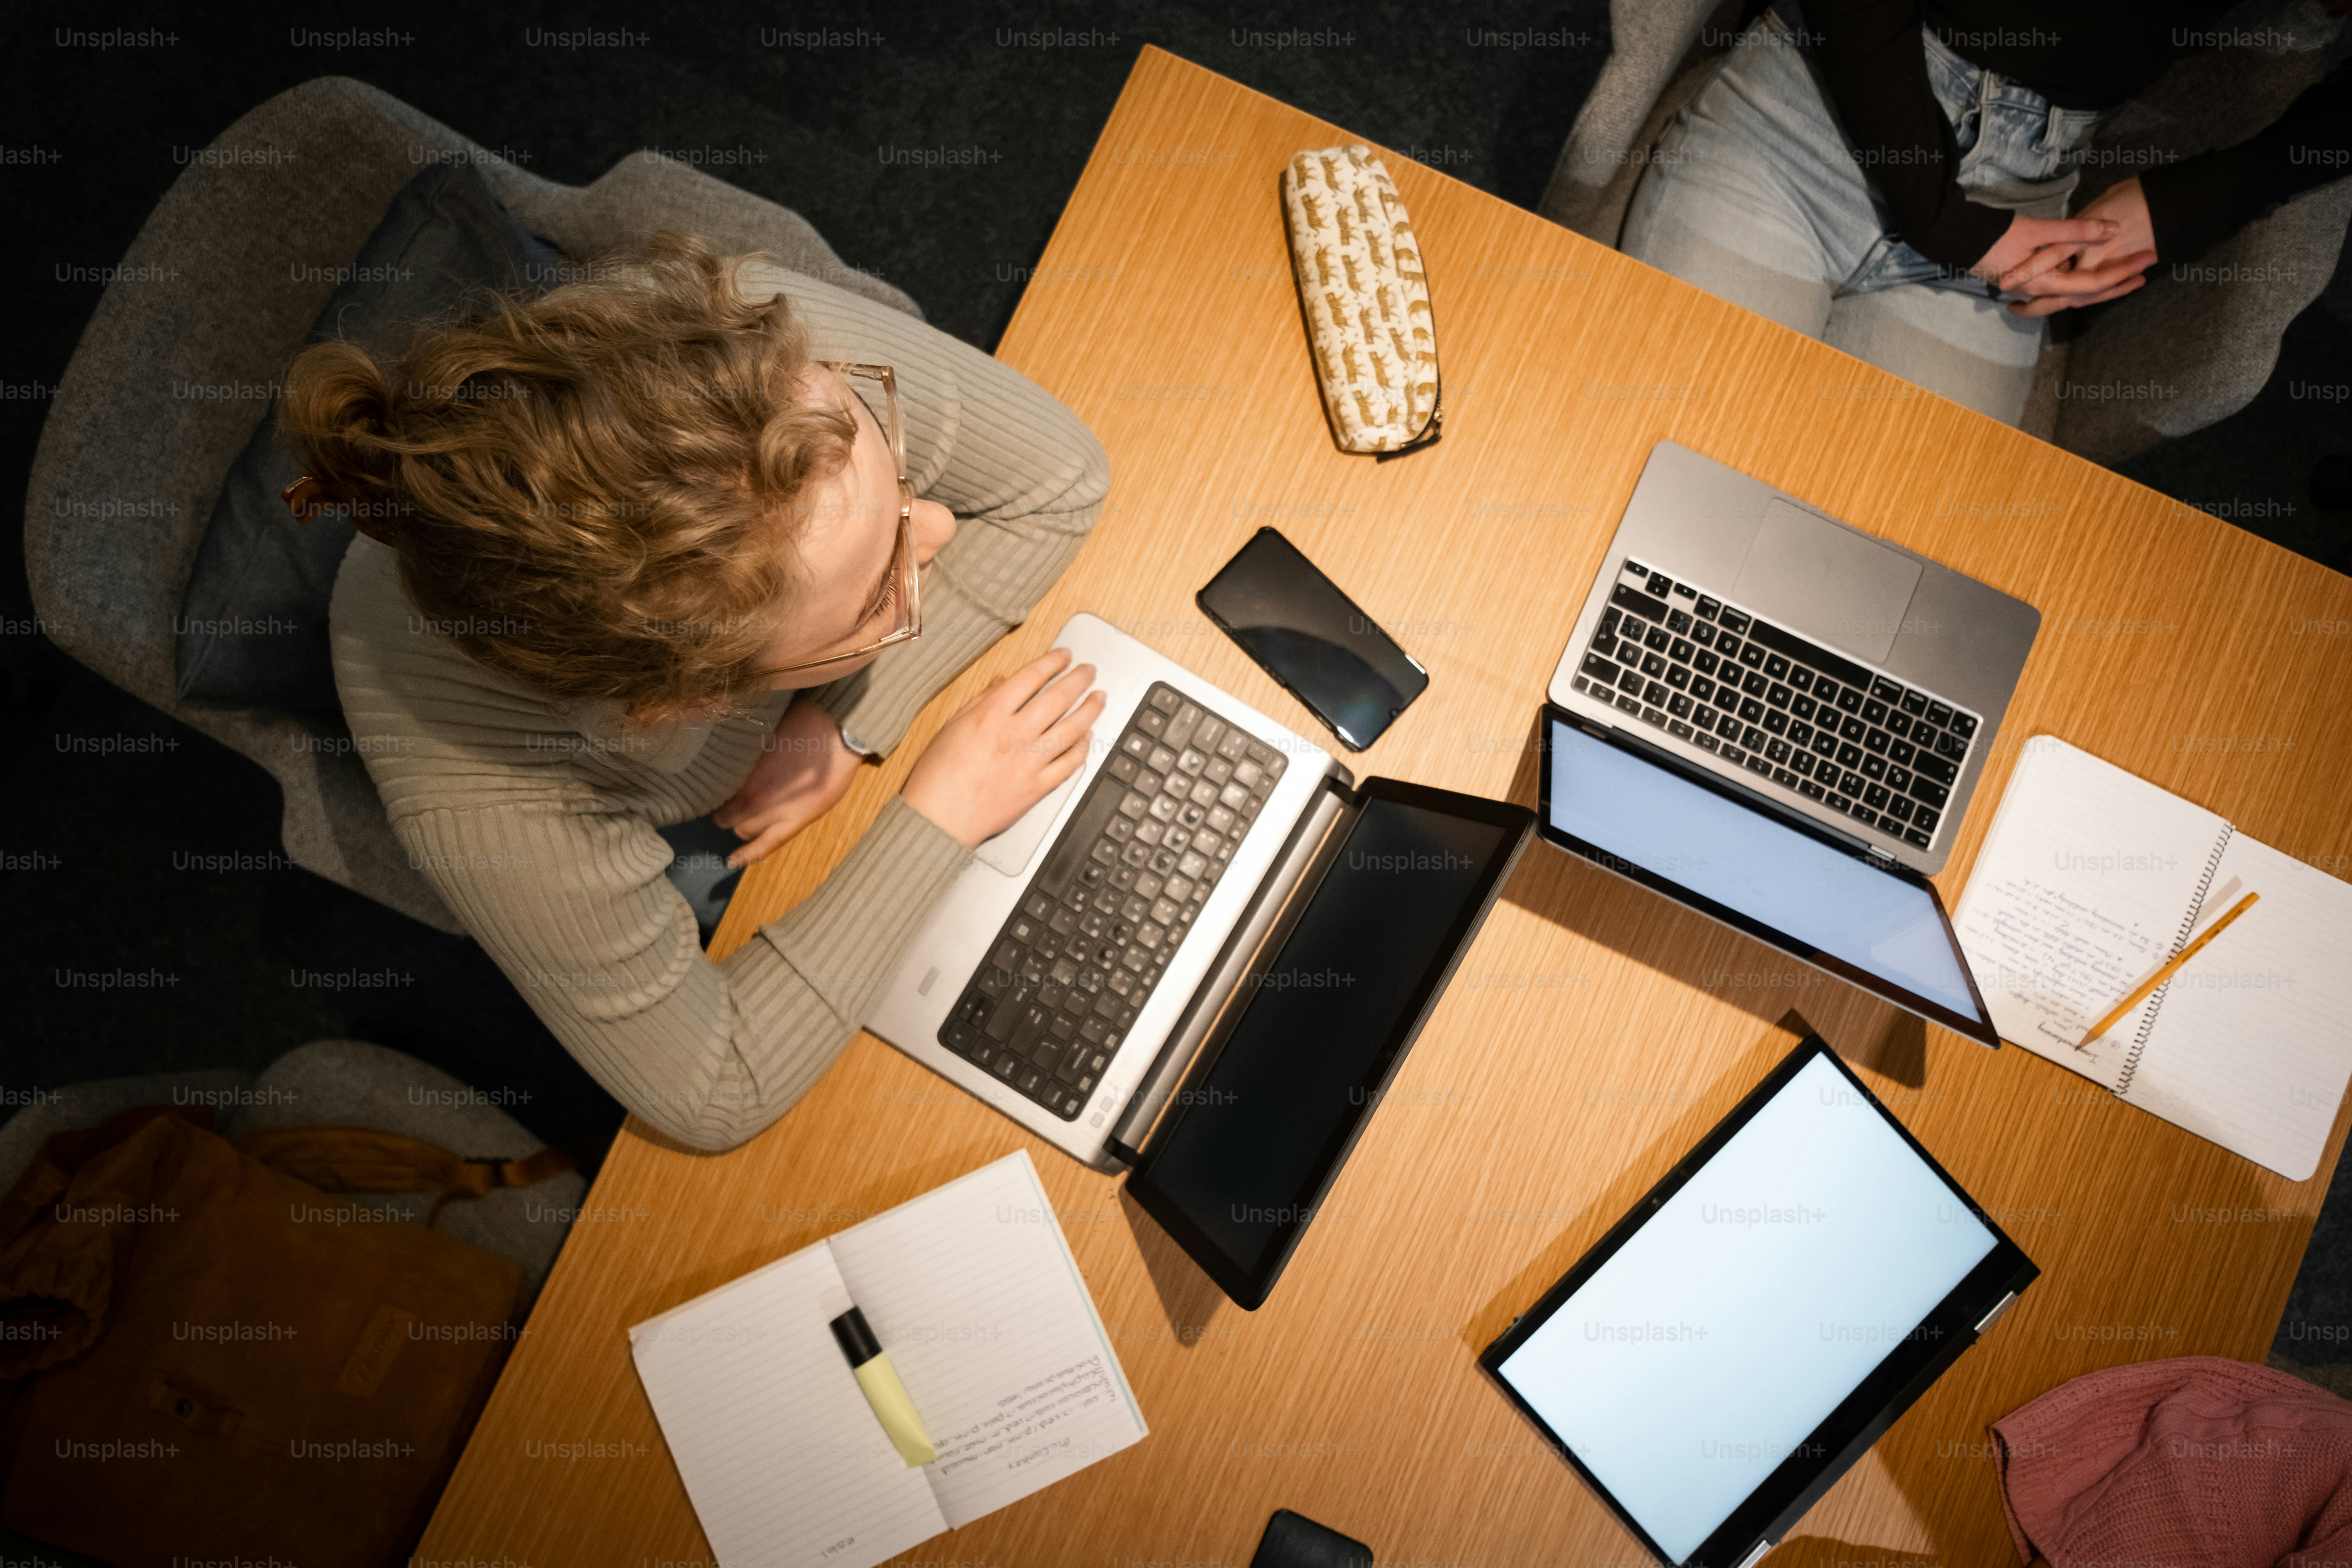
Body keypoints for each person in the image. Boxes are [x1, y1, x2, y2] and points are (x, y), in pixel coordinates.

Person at [287, 232, 1108, 1150]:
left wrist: (842, 722)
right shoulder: (488, 792)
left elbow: (1059, 481)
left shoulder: (729, 356)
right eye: (880, 593)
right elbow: (714, 1092)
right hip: (659, 799)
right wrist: (941, 816)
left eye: (895, 470)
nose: (948, 527)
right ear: (682, 705)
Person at [1620, 0, 2352, 426]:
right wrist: (1943, 221)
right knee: (1667, 469)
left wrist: (2184, 206)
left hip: (2025, 198)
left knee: (1878, 595)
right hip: (1816, 111)